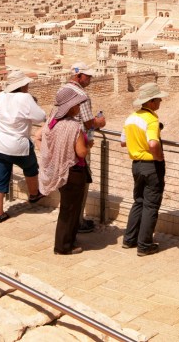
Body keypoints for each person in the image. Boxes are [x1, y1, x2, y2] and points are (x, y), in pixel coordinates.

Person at [0, 70, 46, 223]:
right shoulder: (25, 98)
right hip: (18, 145)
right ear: (22, 85)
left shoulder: (1, 96)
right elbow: (40, 117)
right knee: (31, 166)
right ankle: (34, 194)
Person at [39, 85, 90, 255]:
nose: (78, 108)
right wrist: (88, 144)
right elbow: (81, 152)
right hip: (73, 171)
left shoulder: (52, 122)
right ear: (69, 107)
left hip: (59, 169)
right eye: (76, 105)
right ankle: (63, 246)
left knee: (68, 207)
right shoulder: (73, 126)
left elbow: (40, 139)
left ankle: (69, 239)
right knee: (70, 209)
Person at [122, 82, 167, 255]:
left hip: (136, 165)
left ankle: (129, 239)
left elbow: (123, 142)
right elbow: (153, 143)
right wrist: (159, 157)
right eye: (158, 100)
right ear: (151, 102)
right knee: (151, 205)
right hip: (151, 166)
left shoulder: (131, 118)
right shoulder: (151, 120)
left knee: (138, 202)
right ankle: (145, 245)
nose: (160, 103)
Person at [63, 62, 106, 235]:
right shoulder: (82, 95)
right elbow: (88, 123)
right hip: (80, 143)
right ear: (78, 76)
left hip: (63, 141)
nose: (90, 79)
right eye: (88, 76)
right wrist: (100, 122)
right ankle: (77, 222)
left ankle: (69, 219)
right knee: (80, 183)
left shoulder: (62, 91)